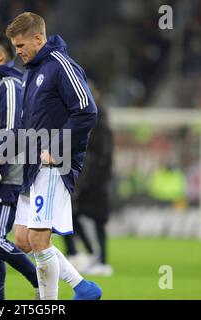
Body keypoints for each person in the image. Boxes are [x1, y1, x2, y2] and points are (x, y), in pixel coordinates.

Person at [0, 12, 102, 300]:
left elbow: (87, 111)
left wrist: (58, 146)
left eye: (21, 45)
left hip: (53, 165)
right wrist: (1, 155)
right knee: (23, 240)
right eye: (15, 47)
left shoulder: (61, 66)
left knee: (39, 240)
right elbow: (25, 126)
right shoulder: (31, 72)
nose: (18, 52)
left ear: (39, 38)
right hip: (31, 166)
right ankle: (84, 288)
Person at [0, 33, 39, 300]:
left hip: (5, 176)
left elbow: (13, 130)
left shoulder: (10, 85)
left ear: (1, 56)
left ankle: (41, 280)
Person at [64, 83, 114, 276]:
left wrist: (89, 180)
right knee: (74, 215)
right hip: (88, 178)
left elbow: (100, 155)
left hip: (95, 180)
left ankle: (100, 260)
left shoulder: (98, 121)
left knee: (95, 219)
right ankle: (92, 256)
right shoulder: (91, 118)